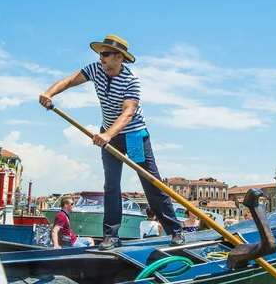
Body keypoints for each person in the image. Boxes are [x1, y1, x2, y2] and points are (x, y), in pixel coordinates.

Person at [40, 34, 185, 250]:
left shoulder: (131, 80)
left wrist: (108, 134)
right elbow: (70, 80)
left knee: (150, 182)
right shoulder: (95, 70)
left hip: (134, 135)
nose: (101, 58)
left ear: (119, 57)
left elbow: (128, 112)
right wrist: (49, 93)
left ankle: (175, 231)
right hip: (109, 136)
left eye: (105, 54)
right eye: (100, 54)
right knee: (111, 186)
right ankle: (111, 236)